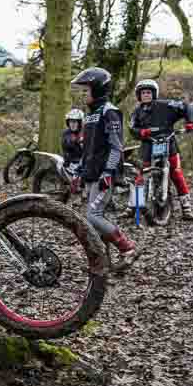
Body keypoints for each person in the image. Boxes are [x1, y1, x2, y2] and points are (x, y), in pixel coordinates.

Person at [71, 67, 136, 266]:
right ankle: (103, 260)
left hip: (104, 174)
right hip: (91, 173)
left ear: (98, 89)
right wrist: (79, 172)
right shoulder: (90, 115)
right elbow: (88, 149)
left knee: (93, 215)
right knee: (94, 219)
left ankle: (128, 248)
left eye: (86, 91)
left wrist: (108, 172)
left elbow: (117, 147)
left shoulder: (110, 112)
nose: (83, 95)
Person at [129, 79, 193, 221]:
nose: (146, 95)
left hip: (169, 144)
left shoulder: (166, 105)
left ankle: (186, 207)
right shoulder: (137, 112)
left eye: (148, 92)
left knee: (176, 173)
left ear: (154, 93)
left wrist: (191, 122)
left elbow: (186, 107)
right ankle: (133, 206)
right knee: (141, 176)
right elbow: (132, 128)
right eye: (143, 93)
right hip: (148, 147)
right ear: (138, 95)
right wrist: (141, 132)